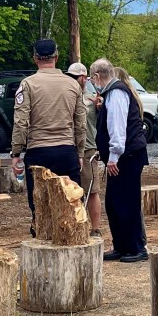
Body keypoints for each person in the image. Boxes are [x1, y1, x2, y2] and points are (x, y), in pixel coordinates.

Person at [11, 39, 86, 237]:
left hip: (39, 153)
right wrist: (79, 152)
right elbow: (80, 123)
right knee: (71, 201)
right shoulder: (73, 85)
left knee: (40, 205)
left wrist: (16, 152)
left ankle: (42, 241)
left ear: (35, 58)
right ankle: (72, 243)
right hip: (66, 150)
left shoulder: (27, 85)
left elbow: (20, 122)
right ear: (57, 57)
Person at [89, 58, 149, 262]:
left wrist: (113, 156)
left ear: (97, 76)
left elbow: (117, 127)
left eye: (92, 77)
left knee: (127, 202)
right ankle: (122, 245)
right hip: (121, 156)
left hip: (127, 156)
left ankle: (137, 248)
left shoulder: (116, 93)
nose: (92, 81)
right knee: (114, 203)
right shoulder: (111, 93)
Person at [65, 62, 102, 237]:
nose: (72, 80)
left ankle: (95, 228)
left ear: (84, 78)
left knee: (91, 190)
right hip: (68, 148)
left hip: (88, 149)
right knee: (71, 191)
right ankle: (75, 225)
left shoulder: (93, 97)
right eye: (70, 76)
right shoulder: (65, 95)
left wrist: (99, 107)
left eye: (75, 77)